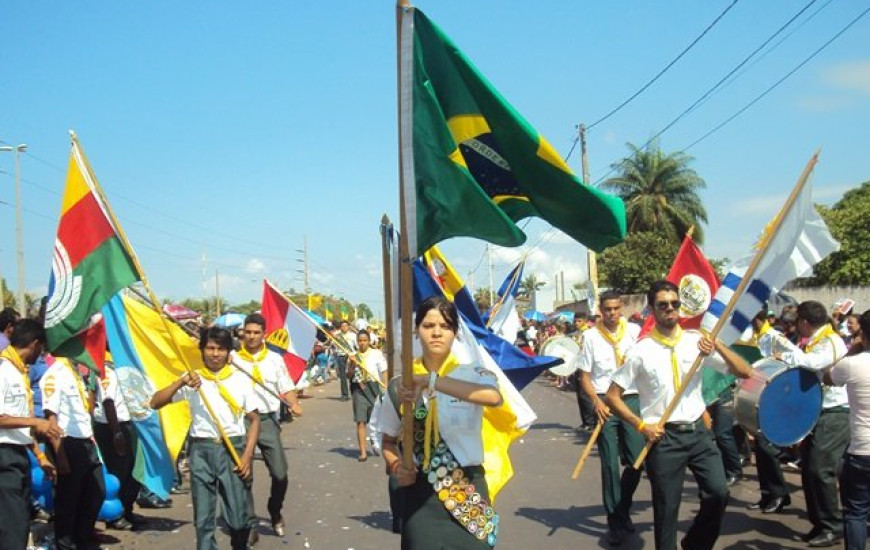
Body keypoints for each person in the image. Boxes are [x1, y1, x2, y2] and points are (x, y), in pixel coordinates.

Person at [605, 280, 753, 550]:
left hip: (698, 434)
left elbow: (744, 372)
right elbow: (612, 396)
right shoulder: (640, 351)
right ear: (652, 309)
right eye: (663, 305)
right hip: (664, 440)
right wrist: (641, 426)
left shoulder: (697, 342)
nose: (670, 309)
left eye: (675, 304)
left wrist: (717, 346)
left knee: (719, 492)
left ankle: (696, 543)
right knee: (666, 510)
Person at [375, 296, 504, 549]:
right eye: (428, 325)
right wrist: (397, 465)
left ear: (455, 332)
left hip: (468, 490)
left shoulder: (475, 375)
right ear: (416, 330)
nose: (436, 333)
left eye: (445, 326)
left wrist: (430, 381)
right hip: (420, 496)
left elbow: (493, 398)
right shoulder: (399, 387)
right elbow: (388, 442)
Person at [151, 326, 261, 550]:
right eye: (210, 348)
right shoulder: (194, 381)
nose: (215, 354)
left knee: (239, 518)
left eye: (220, 349)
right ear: (202, 351)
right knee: (203, 519)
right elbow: (155, 402)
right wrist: (181, 382)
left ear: (229, 352)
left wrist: (247, 456)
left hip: (233, 448)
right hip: (201, 450)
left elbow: (255, 420)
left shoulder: (240, 380)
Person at [762, 300, 849, 547]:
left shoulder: (831, 341)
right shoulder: (816, 340)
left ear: (804, 322)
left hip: (834, 412)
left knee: (820, 470)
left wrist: (782, 345)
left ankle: (832, 526)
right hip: (815, 411)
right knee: (809, 469)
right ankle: (819, 523)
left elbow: (809, 363)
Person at [577, 290, 643, 545]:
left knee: (637, 460)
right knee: (609, 465)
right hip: (605, 402)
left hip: (632, 400)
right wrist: (595, 402)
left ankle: (622, 507)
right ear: (600, 311)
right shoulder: (591, 337)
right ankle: (615, 522)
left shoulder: (636, 332)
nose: (613, 314)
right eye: (608, 310)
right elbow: (584, 376)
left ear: (622, 308)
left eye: (617, 309)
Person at [230, 313, 300, 540]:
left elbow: (286, 387)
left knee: (280, 474)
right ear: (242, 332)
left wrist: (294, 403)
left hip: (268, 420)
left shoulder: (274, 359)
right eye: (247, 332)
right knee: (243, 476)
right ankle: (249, 524)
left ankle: (274, 510)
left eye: (256, 333)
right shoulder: (231, 358)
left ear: (264, 334)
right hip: (240, 421)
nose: (251, 337)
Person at [0, 319, 61, 550]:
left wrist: (41, 458)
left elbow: (19, 427)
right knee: (12, 530)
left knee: (19, 524)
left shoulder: (19, 373)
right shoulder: (3, 370)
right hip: (3, 456)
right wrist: (36, 421)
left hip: (18, 455)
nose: (41, 354)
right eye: (42, 348)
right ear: (35, 344)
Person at [41, 354, 106, 550]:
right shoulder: (54, 374)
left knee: (96, 492)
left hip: (86, 440)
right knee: (68, 501)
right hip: (68, 442)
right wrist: (59, 455)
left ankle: (81, 539)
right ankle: (66, 544)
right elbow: (51, 417)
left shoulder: (75, 371)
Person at [827, 309, 870, 550]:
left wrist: (851, 352)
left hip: (862, 452)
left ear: (862, 333)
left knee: (856, 513)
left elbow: (827, 377)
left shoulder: (851, 364)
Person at [93, 357, 142, 531]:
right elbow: (108, 401)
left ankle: (127, 510)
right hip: (111, 427)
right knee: (119, 471)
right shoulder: (106, 370)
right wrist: (117, 433)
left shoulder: (121, 367)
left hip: (126, 423)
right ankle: (115, 516)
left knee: (131, 470)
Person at [348, 329, 388, 462]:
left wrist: (385, 386)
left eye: (365, 340)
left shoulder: (376, 354)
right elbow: (348, 375)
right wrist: (352, 365)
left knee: (375, 420)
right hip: (359, 389)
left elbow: (384, 371)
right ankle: (363, 452)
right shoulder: (353, 356)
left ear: (369, 341)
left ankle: (375, 441)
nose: (362, 343)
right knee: (361, 421)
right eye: (360, 341)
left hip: (374, 387)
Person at [334, 320, 357, 401]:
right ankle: (344, 394)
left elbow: (356, 346)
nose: (344, 327)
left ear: (348, 327)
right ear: (340, 327)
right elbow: (331, 344)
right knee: (342, 376)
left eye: (345, 326)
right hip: (341, 356)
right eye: (342, 326)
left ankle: (354, 392)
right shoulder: (336, 335)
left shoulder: (352, 335)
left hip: (350, 357)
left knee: (352, 375)